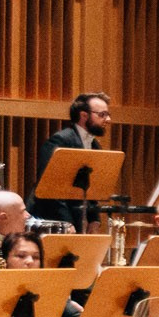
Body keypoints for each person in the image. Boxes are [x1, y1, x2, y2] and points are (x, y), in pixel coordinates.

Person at [35, 89, 109, 227]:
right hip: (53, 220)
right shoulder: (60, 140)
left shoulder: (94, 145)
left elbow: (91, 188)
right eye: (102, 115)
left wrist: (94, 219)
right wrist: (66, 222)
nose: (108, 119)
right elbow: (49, 187)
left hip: (76, 219)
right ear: (84, 115)